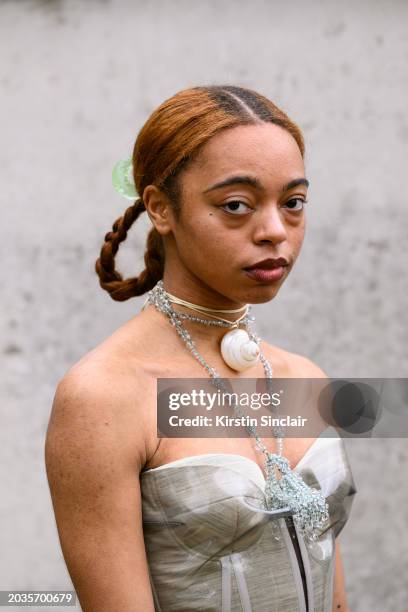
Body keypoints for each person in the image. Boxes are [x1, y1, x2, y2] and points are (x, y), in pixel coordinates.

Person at [45, 84, 357, 612]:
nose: (275, 231)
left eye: (294, 202)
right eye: (235, 205)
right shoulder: (104, 395)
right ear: (161, 209)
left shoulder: (303, 376)